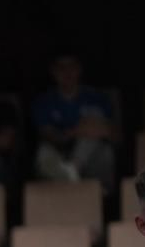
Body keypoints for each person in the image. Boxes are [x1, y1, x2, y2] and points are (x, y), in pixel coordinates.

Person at [31, 54, 117, 189]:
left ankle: (74, 170)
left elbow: (111, 133)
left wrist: (87, 130)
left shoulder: (96, 98)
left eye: (72, 66)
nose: (67, 72)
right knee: (43, 153)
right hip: (60, 155)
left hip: (90, 156)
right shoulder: (44, 101)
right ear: (53, 72)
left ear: (79, 69)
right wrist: (78, 130)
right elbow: (51, 136)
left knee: (104, 150)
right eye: (61, 68)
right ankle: (70, 177)